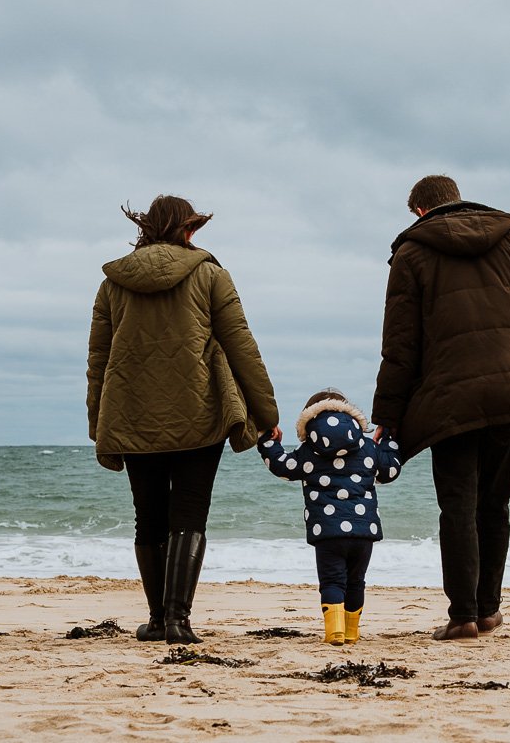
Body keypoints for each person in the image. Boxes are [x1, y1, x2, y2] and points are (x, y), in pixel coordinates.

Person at [370, 175, 510, 641]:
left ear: (419, 211)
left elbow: (401, 344)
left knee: (458, 505)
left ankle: (464, 616)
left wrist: (387, 417)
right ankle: (489, 609)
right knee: (495, 505)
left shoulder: (412, 252)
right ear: (455, 198)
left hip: (450, 396)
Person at [87, 195, 280, 644]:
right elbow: (241, 346)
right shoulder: (211, 275)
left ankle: (156, 619)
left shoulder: (112, 283)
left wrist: (99, 418)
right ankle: (178, 620)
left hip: (131, 413)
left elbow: (98, 358)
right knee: (189, 513)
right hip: (200, 410)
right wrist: (265, 412)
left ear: (146, 229)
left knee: (147, 517)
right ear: (188, 230)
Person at [257, 388, 402, 645]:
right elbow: (390, 471)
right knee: (356, 581)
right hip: (363, 532)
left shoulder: (308, 452)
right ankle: (351, 633)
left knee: (333, 581)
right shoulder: (368, 448)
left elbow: (282, 466)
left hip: (327, 533)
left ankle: (334, 632)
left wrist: (268, 441)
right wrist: (388, 438)